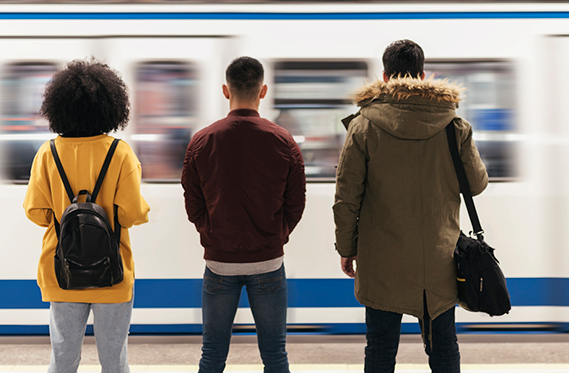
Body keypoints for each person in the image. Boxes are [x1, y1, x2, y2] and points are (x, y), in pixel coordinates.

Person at [333, 40, 488, 373]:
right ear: (421, 74)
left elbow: (346, 198)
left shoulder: (363, 126)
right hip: (439, 259)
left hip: (382, 261)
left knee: (380, 349)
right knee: (444, 348)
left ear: (386, 76)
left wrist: (347, 248)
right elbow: (476, 184)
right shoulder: (454, 127)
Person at [23, 58, 150, 373]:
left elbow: (36, 212)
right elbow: (132, 214)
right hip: (112, 273)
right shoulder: (120, 154)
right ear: (110, 107)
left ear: (59, 107)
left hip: (62, 271)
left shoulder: (47, 153)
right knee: (114, 361)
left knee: (63, 360)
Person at [182, 56, 306, 373]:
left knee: (211, 355)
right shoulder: (284, 141)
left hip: (218, 264)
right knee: (276, 355)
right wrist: (277, 236)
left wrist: (210, 233)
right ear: (262, 91)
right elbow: (296, 204)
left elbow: (193, 204)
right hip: (269, 263)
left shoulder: (201, 141)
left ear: (226, 90)